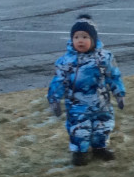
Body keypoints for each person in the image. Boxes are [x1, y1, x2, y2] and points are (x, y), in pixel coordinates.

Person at [47, 14, 126, 166]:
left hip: (101, 103)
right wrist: (54, 99)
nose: (80, 40)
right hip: (78, 105)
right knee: (79, 129)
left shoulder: (104, 58)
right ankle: (80, 152)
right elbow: (58, 81)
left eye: (85, 36)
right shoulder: (66, 62)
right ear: (72, 40)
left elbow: (114, 76)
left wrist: (119, 94)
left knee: (102, 126)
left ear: (94, 39)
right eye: (76, 37)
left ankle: (99, 147)